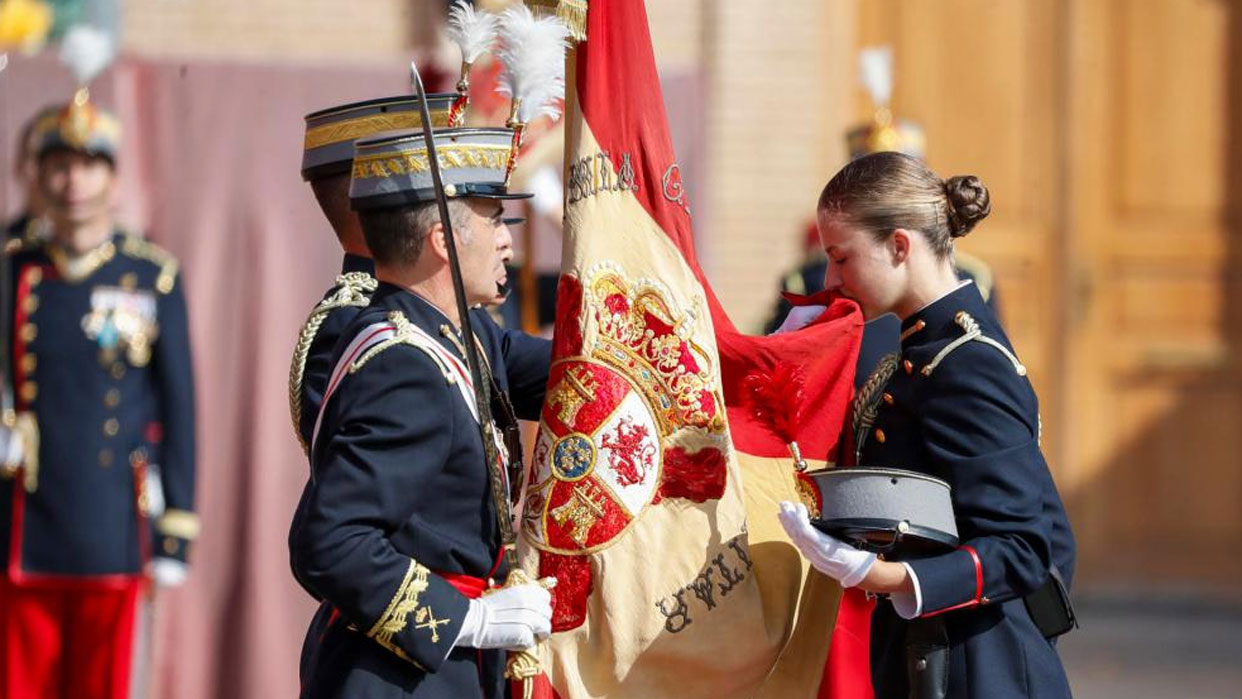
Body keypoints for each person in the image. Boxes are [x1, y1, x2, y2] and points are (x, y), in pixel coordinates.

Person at [778, 152, 1075, 698]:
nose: (830, 278)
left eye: (842, 258)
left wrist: (883, 576)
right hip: (928, 652)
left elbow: (1024, 549)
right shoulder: (919, 347)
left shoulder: (969, 362)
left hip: (982, 666)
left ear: (898, 246)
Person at [290, 126, 554, 698]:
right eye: (493, 220)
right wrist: (468, 621)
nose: (508, 241)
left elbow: (570, 369)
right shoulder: (406, 364)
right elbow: (330, 542)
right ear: (443, 240)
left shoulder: (467, 331)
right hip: (399, 674)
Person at [0, 94, 197, 699]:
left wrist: (174, 534)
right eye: (59, 164)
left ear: (113, 177)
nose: (73, 181)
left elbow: (180, 409)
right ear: (39, 175)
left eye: (89, 165)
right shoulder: (14, 265)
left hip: (112, 523)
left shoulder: (151, 274)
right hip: (24, 519)